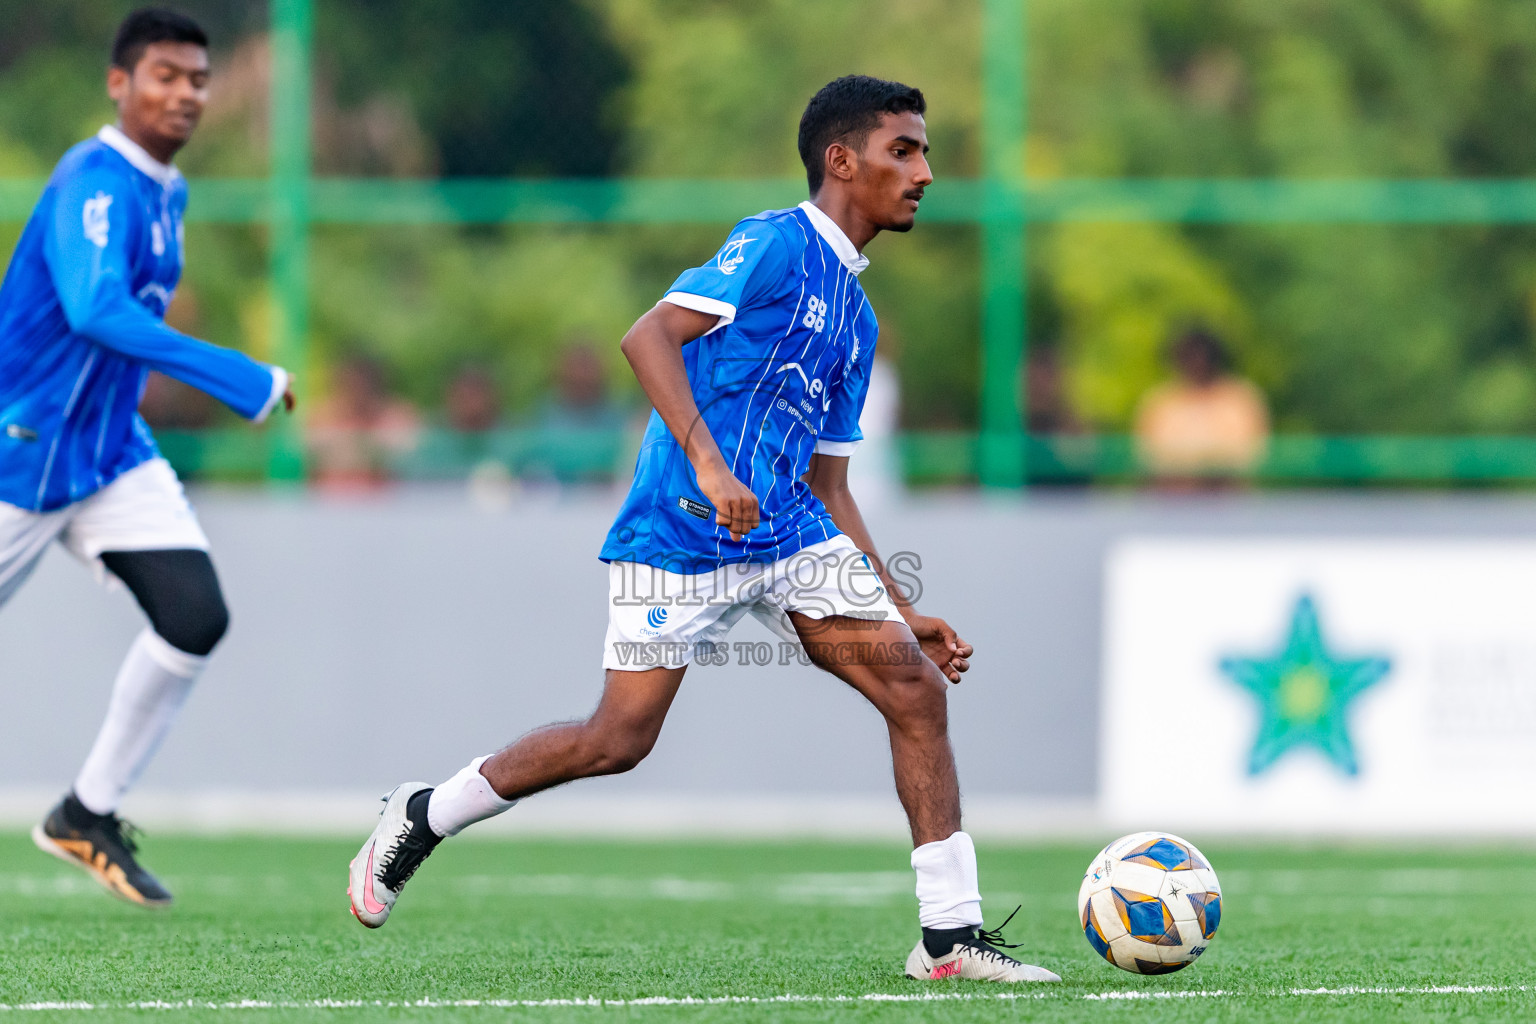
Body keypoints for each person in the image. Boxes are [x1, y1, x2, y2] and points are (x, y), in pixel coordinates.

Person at [347, 75, 1059, 985]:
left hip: (790, 533)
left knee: (916, 692)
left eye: (924, 151)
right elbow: (646, 336)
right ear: (843, 161)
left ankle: (948, 939)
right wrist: (711, 463)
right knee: (619, 740)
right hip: (680, 533)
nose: (925, 171)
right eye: (904, 150)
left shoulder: (858, 316)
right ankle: (423, 812)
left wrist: (897, 604)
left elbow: (831, 484)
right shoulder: (773, 244)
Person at [0, 8, 294, 906]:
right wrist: (240, 376)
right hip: (22, 454)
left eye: (198, 79)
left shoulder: (166, 190)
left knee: (193, 614)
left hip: (108, 458)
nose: (185, 94)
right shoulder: (97, 180)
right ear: (118, 84)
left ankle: (86, 814)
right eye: (164, 74)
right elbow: (93, 310)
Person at [1133, 327, 1269, 487]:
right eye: (1189, 356)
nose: (1197, 362)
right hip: (1171, 500)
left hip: (1225, 501)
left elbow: (1249, 455)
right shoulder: (1160, 401)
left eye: (1202, 355)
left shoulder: (1239, 400)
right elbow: (1147, 456)